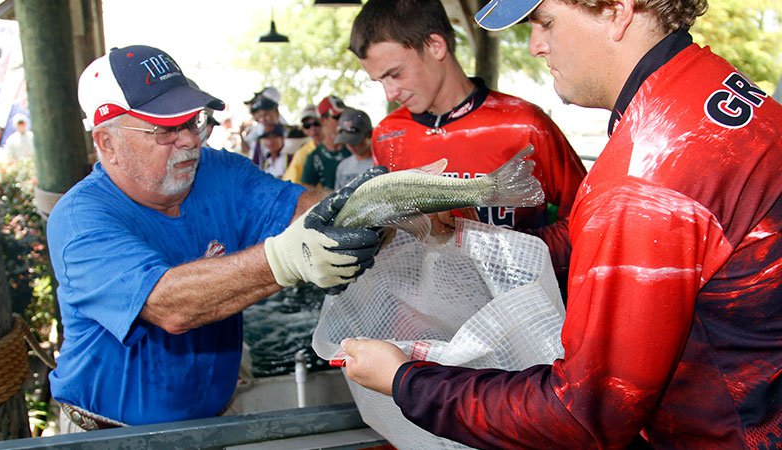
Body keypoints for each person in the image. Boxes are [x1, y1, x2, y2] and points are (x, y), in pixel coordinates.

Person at [342, 0, 782, 448]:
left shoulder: (644, 173)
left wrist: (405, 381)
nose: (535, 45)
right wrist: (466, 238)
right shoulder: (713, 88)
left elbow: (581, 417)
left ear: (617, 10)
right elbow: (593, 239)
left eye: (545, 23)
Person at [47, 45, 385, 431]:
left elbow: (305, 207)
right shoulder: (79, 221)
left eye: (193, 121)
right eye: (165, 129)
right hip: (106, 435)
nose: (191, 140)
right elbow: (170, 305)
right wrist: (288, 258)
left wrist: (385, 204)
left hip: (211, 424)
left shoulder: (219, 172)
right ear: (108, 143)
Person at [349, 0, 586, 286]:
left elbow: (588, 225)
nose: (389, 93)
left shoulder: (524, 124)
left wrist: (503, 248)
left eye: (395, 73)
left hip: (510, 316)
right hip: (417, 319)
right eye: (379, 81)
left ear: (436, 45)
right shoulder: (387, 134)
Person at [300, 95, 351, 190]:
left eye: (345, 115)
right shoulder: (314, 158)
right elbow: (307, 193)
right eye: (337, 117)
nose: (343, 120)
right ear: (323, 120)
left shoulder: (355, 147)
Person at [241, 87, 286, 166]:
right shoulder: (258, 132)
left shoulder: (288, 132)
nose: (263, 120)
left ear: (276, 111)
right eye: (260, 116)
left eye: (266, 115)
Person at [333, 107, 374, 190]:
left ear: (369, 135)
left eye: (355, 141)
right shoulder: (343, 166)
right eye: (347, 141)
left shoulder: (379, 164)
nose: (351, 145)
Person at [282, 104, 322, 184]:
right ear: (303, 129)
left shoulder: (339, 145)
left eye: (316, 123)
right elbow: (291, 183)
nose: (312, 128)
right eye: (307, 126)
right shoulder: (302, 153)